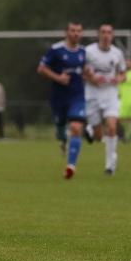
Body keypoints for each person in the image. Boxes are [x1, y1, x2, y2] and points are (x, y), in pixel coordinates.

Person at [38, 22, 88, 179]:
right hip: (59, 98)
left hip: (77, 97)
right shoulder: (56, 50)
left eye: (78, 31)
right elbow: (41, 69)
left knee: (75, 127)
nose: (76, 34)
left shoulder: (84, 52)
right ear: (66, 32)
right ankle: (62, 139)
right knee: (60, 128)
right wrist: (58, 78)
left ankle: (70, 166)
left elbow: (87, 71)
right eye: (73, 31)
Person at [84, 24, 127, 175]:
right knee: (97, 136)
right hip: (92, 93)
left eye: (109, 32)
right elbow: (81, 72)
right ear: (98, 35)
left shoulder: (117, 53)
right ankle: (91, 129)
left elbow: (123, 74)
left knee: (112, 127)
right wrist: (92, 77)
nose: (106, 35)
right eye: (103, 32)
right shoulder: (88, 51)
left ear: (112, 35)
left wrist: (118, 79)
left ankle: (110, 165)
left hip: (110, 93)